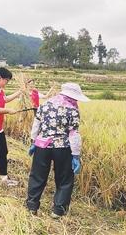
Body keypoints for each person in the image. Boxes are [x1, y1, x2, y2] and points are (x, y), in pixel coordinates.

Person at [26, 83, 89, 218]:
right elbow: (73, 134)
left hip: (42, 146)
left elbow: (36, 124)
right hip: (62, 148)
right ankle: (58, 210)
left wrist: (33, 141)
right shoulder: (73, 110)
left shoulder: (45, 105)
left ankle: (32, 206)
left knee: (37, 175)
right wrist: (76, 155)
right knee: (64, 178)